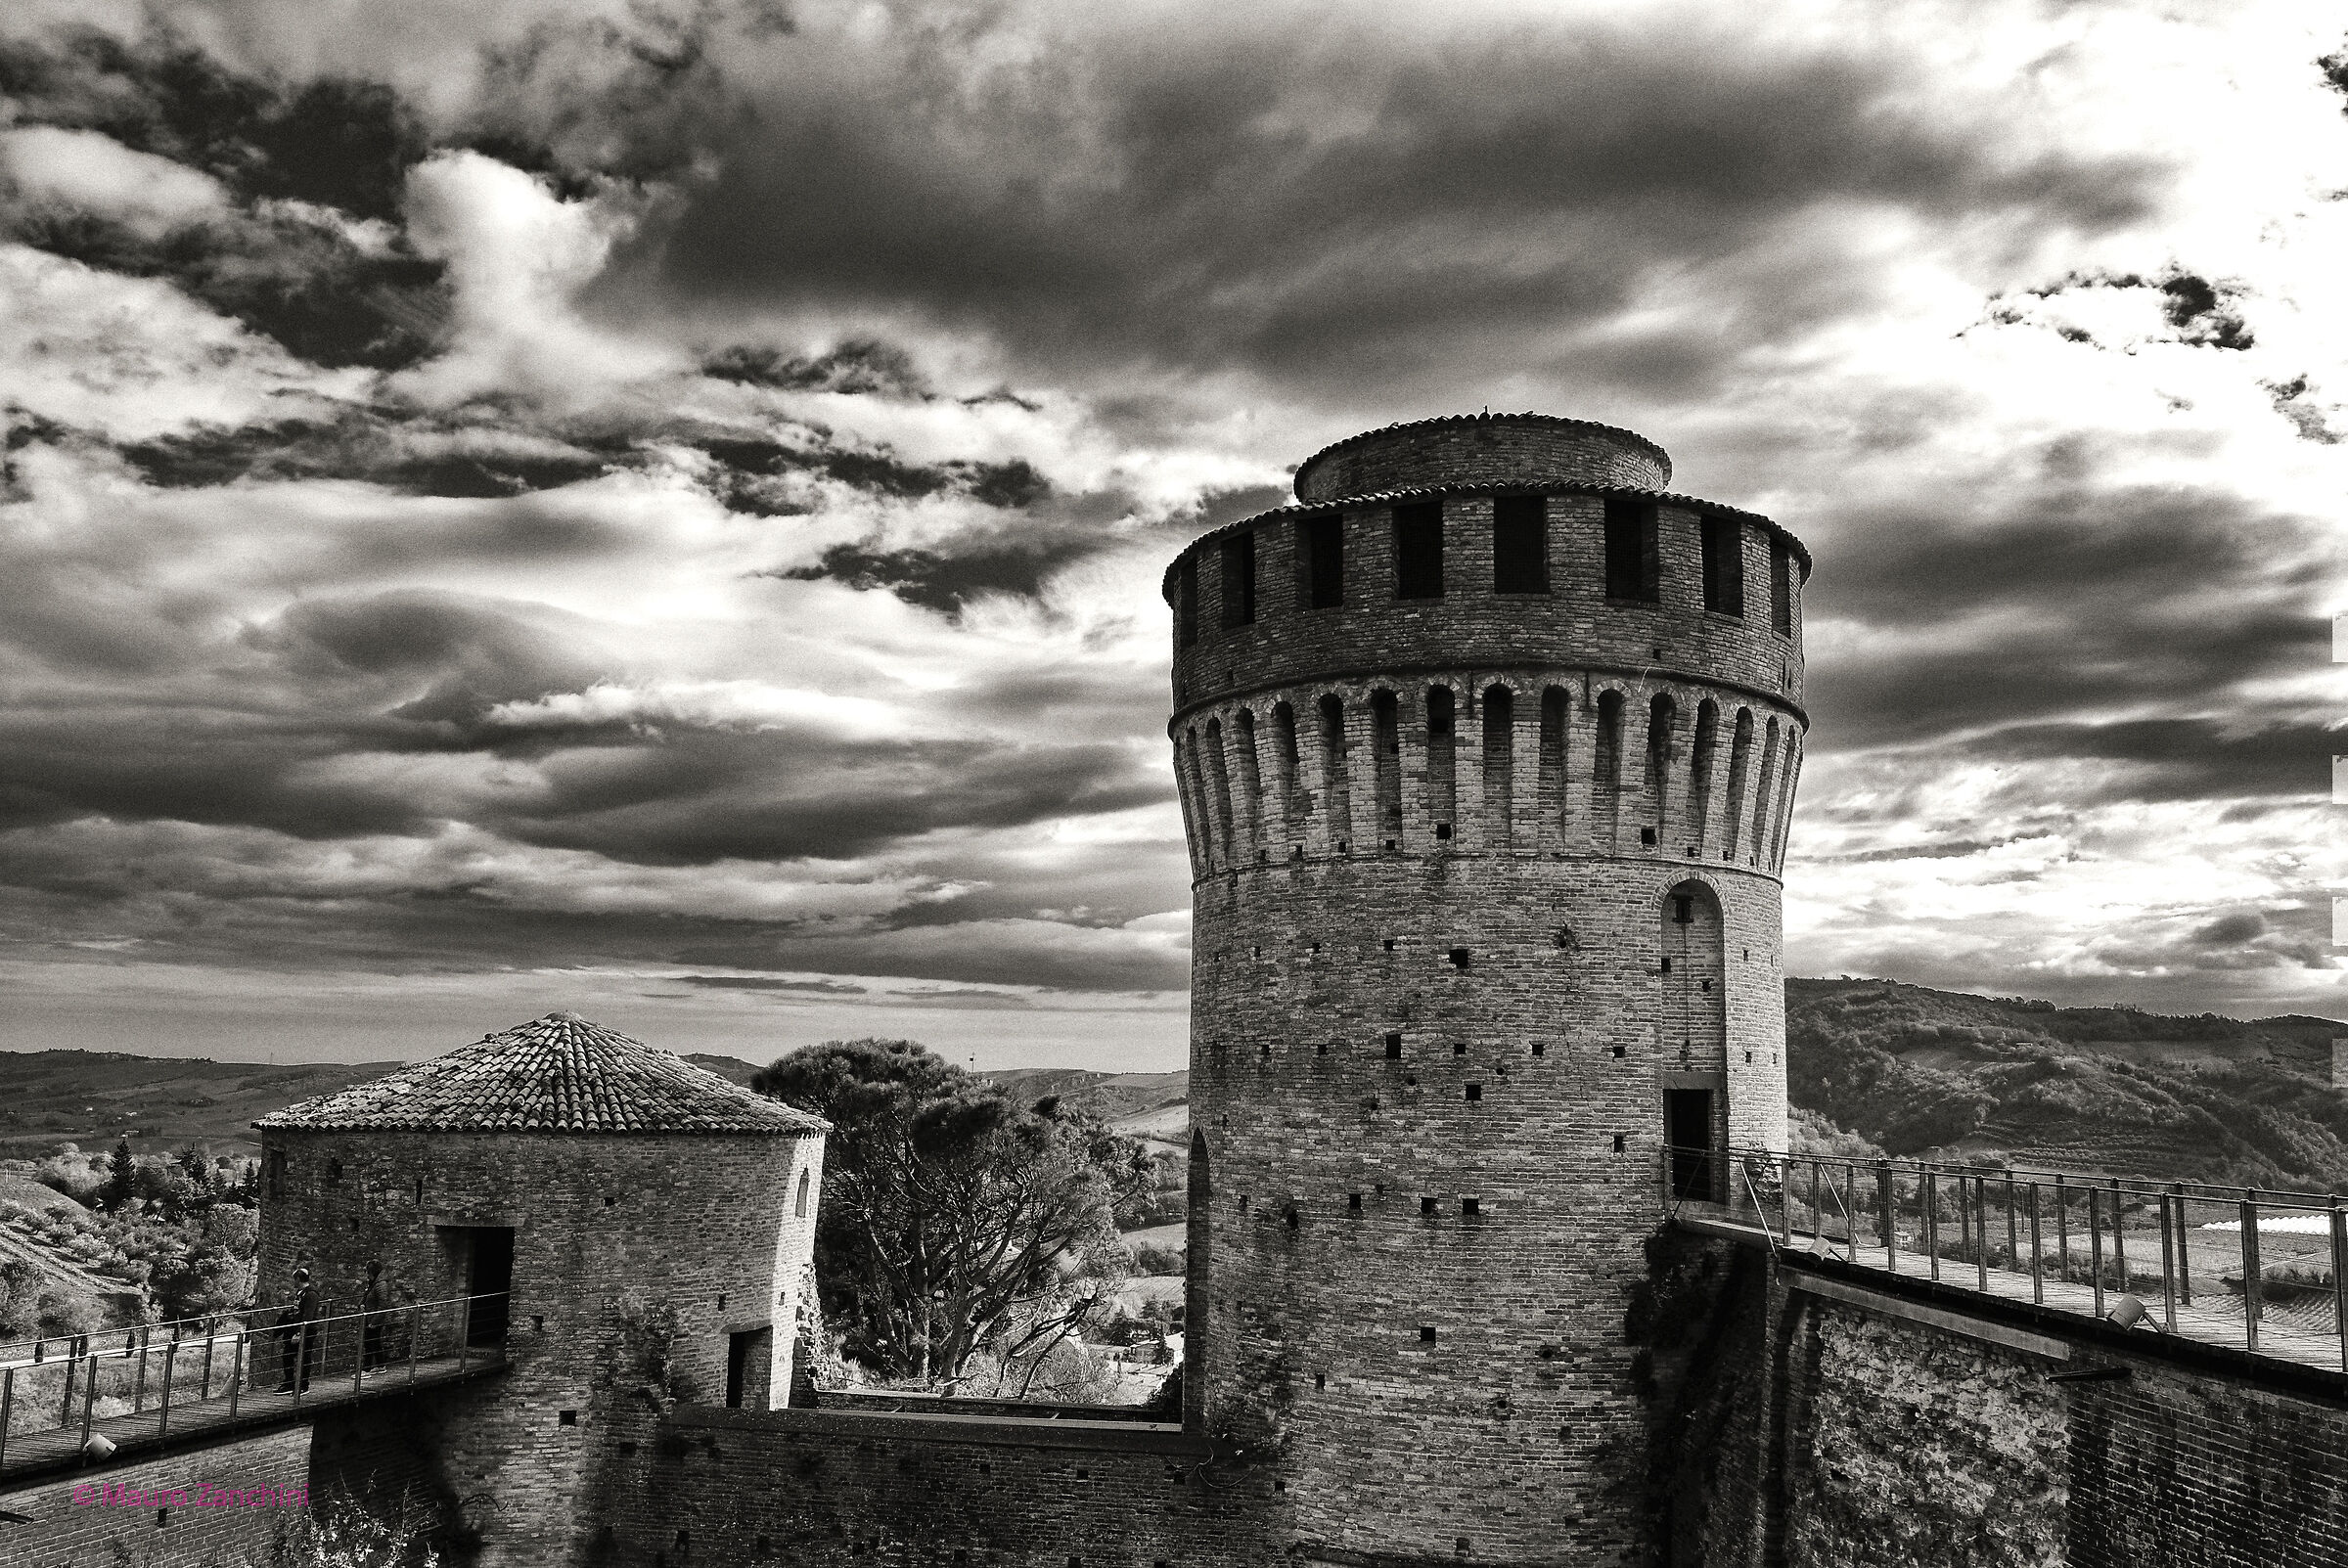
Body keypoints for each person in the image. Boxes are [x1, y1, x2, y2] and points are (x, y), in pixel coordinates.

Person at [275, 1268, 321, 1392]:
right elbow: (299, 1310)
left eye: (294, 1279)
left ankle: (303, 1385)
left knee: (304, 1357)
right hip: (297, 1329)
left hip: (307, 1331)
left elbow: (308, 1315)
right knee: (288, 1356)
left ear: (298, 1279)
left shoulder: (311, 1294)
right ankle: (290, 1383)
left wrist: (299, 1333)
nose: (293, 1282)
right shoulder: (301, 1293)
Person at [360, 1259, 387, 1370]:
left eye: (368, 1272)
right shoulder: (373, 1283)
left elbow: (383, 1304)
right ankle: (381, 1365)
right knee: (375, 1342)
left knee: (369, 1343)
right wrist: (361, 1304)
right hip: (370, 1317)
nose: (366, 1274)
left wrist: (374, 1321)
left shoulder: (380, 1285)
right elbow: (366, 1296)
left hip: (375, 1319)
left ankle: (366, 1369)